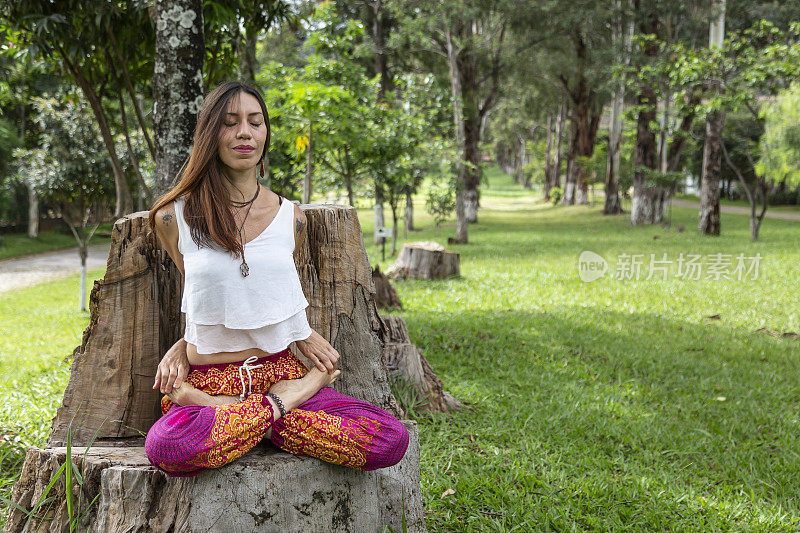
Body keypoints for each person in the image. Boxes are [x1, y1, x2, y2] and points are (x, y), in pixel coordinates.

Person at [143, 81, 409, 477]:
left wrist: (297, 359)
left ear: (266, 133)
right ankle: (274, 414)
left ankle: (248, 421)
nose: (245, 133)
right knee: (169, 448)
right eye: (230, 123)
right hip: (212, 381)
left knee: (388, 439)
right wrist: (185, 346)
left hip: (280, 372)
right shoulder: (172, 217)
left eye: (255, 122)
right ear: (210, 133)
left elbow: (258, 296)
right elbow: (208, 300)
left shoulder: (292, 218)